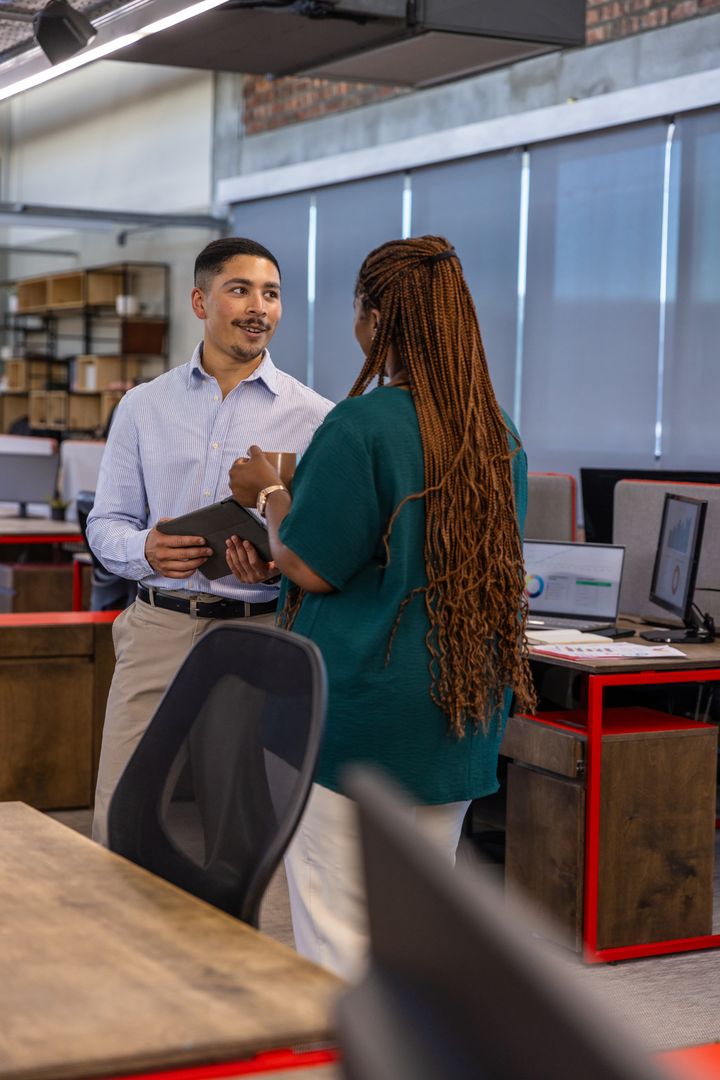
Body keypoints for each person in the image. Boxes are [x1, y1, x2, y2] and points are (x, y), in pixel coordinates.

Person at [226, 234, 536, 979]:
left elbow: (308, 565)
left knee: (338, 934)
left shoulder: (361, 426)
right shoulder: (498, 433)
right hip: (455, 710)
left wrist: (270, 495)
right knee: (418, 928)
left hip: (360, 714)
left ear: (374, 317)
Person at [87, 237, 333, 846]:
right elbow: (106, 522)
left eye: (271, 294)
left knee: (247, 829)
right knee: (120, 818)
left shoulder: (316, 417)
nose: (258, 307)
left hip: (258, 633)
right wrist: (144, 549)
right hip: (157, 627)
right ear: (200, 301)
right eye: (240, 290)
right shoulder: (143, 406)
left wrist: (276, 565)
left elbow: (320, 543)